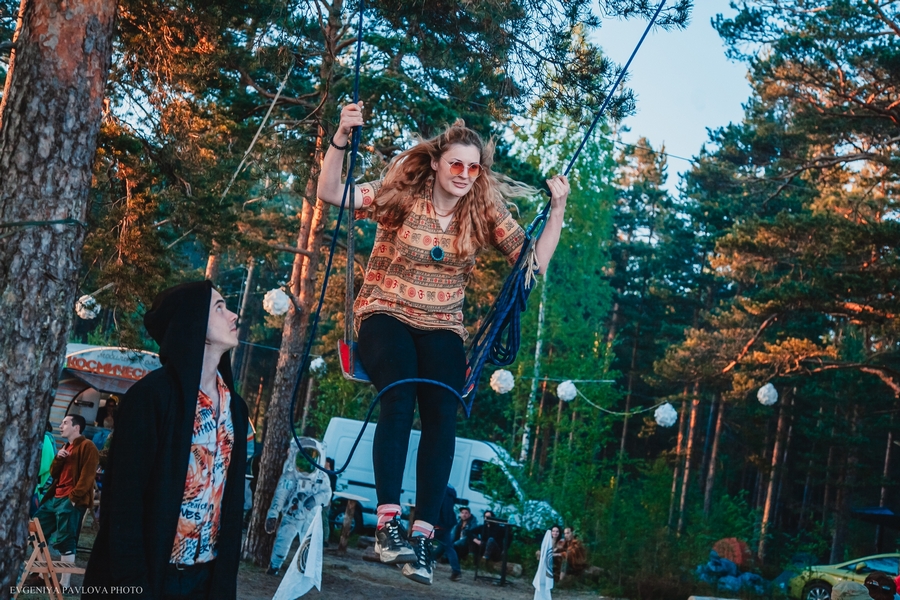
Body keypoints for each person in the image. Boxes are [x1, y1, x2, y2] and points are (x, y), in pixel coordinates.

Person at [317, 102, 569, 585]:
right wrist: (341, 137)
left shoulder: (482, 211)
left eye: (473, 168)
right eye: (455, 164)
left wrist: (556, 211)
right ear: (435, 162)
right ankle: (388, 523)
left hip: (442, 324)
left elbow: (531, 264)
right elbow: (331, 192)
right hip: (385, 311)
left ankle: (424, 536)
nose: (464, 174)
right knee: (399, 395)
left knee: (442, 412)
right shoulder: (400, 195)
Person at [83, 281, 249, 600]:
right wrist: (133, 584)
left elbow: (230, 503)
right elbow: (123, 502)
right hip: (153, 576)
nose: (233, 315)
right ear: (194, 324)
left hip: (207, 579)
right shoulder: (151, 399)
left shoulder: (236, 410)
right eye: (219, 308)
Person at [33, 414, 99, 587]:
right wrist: (59, 458)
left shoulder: (87, 446)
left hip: (69, 499)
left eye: (65, 423)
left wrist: (73, 499)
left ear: (76, 427)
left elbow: (88, 476)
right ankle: (42, 573)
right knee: (37, 530)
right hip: (55, 497)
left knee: (66, 539)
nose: (61, 426)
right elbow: (54, 473)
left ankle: (64, 583)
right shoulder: (66, 446)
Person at [265, 438, 332, 575]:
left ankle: (306, 571)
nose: (305, 464)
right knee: (283, 540)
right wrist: (273, 514)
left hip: (309, 515)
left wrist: (314, 500)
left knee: (308, 544)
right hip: (292, 514)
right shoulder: (290, 474)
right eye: (301, 459)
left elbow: (326, 494)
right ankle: (274, 566)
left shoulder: (321, 477)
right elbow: (281, 495)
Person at [430, 486, 462, 581]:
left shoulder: (437, 488)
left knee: (420, 539)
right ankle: (456, 571)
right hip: (448, 521)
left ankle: (415, 562)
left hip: (437, 521)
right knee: (448, 547)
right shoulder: (451, 490)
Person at [30, 420, 57, 517]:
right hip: (36, 487)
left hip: (37, 488)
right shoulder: (44, 438)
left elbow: (44, 466)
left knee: (33, 519)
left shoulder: (44, 439)